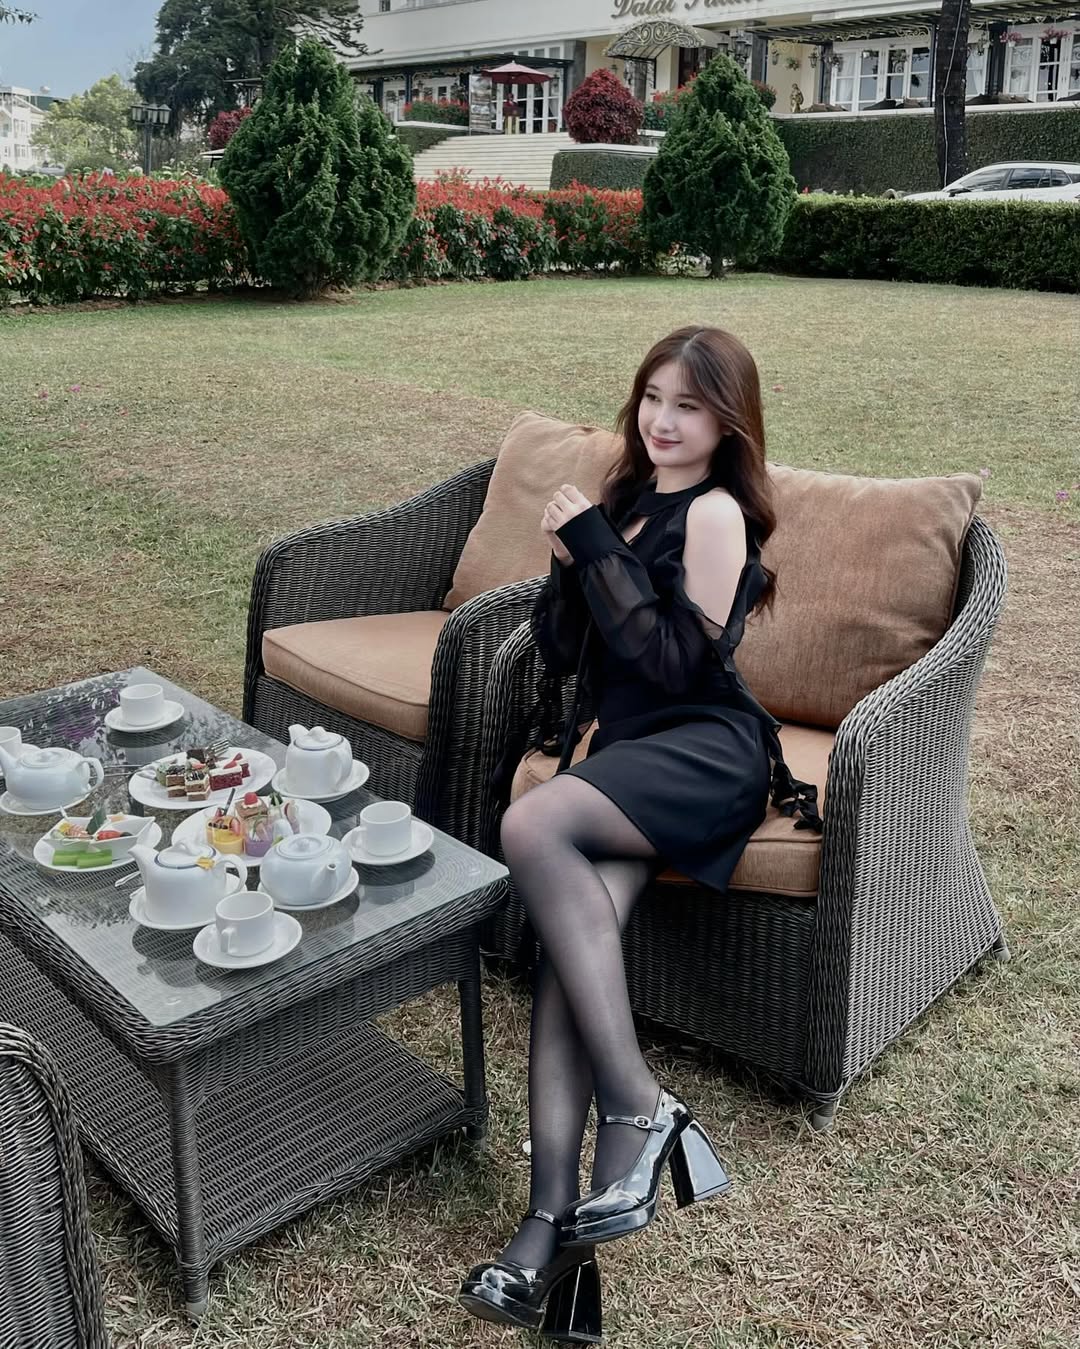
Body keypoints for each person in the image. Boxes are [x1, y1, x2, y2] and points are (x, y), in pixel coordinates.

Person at [458, 326, 821, 1341]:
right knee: (566, 966)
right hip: (623, 757)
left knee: (532, 820)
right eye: (654, 397)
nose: (664, 419)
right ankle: (552, 1242)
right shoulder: (624, 500)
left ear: (729, 423)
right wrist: (571, 557)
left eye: (690, 405)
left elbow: (672, 666)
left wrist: (596, 546)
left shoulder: (714, 514)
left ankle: (638, 1103)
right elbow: (573, 649)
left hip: (704, 752)